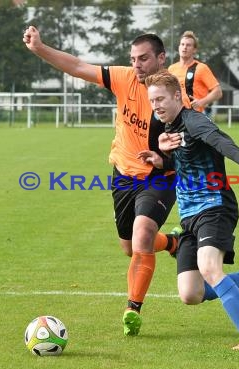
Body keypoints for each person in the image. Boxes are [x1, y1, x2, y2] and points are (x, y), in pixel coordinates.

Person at [23, 26, 186, 337]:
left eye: (144, 59)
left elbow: (188, 151)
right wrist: (40, 48)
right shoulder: (124, 78)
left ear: (161, 59)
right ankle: (173, 242)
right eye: (133, 59)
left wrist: (164, 159)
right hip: (124, 175)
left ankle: (132, 309)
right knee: (130, 247)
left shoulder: (177, 99)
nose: (136, 65)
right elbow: (77, 66)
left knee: (142, 234)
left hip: (159, 177)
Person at [138, 70, 239, 350]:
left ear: (177, 96)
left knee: (210, 267)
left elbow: (219, 140)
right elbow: (185, 163)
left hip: (215, 206)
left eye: (161, 98)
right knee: (190, 294)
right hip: (188, 216)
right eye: (152, 101)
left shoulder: (194, 121)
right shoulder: (169, 129)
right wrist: (160, 160)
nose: (156, 105)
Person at [167, 31, 222, 118]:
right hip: (175, 116)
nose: (184, 47)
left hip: (195, 116)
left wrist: (202, 102)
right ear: (179, 47)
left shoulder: (201, 68)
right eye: (182, 44)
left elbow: (218, 92)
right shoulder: (171, 69)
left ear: (194, 50)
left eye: (188, 45)